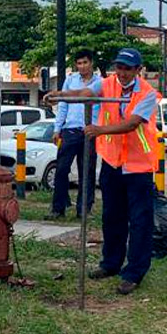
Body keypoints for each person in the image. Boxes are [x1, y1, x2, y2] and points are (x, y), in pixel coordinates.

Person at [44, 48, 159, 296]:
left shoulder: (147, 93)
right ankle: (110, 263)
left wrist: (100, 130)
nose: (122, 73)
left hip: (138, 166)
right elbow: (86, 93)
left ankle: (134, 272)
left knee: (139, 221)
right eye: (119, 67)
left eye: (128, 68)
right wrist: (61, 95)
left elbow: (132, 123)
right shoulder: (108, 84)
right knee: (112, 216)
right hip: (113, 162)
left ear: (138, 70)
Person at [48, 49, 101, 220]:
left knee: (87, 172)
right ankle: (58, 208)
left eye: (85, 62)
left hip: (89, 131)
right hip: (70, 131)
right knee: (61, 170)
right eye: (79, 63)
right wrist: (57, 128)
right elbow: (63, 105)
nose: (82, 66)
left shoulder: (100, 83)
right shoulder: (70, 81)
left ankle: (84, 210)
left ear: (92, 63)